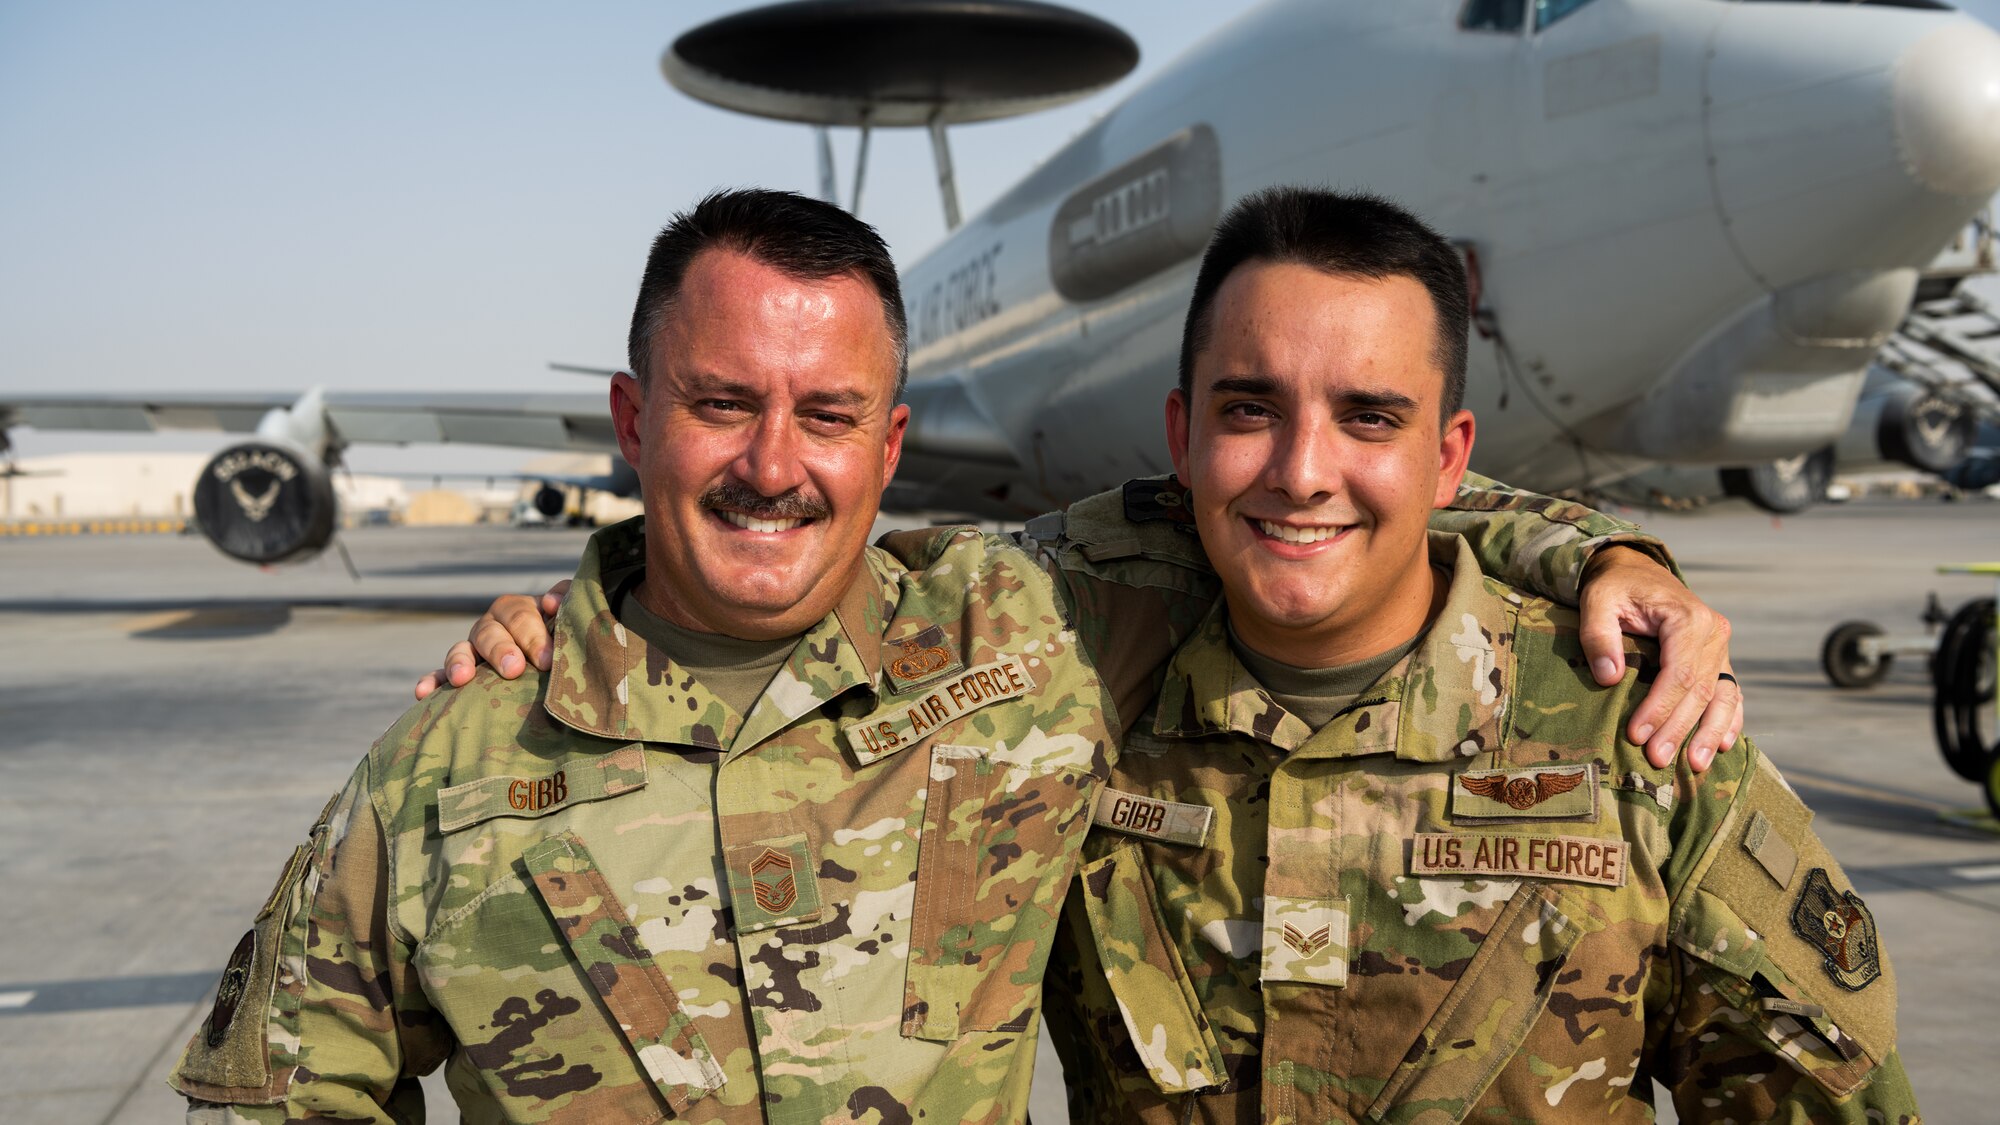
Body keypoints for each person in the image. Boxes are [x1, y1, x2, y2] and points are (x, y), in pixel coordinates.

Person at [185, 188, 1727, 1124]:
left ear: (891, 442)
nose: (774, 464)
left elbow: (1323, 500)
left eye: (830, 415)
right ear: (635, 420)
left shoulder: (1021, 628)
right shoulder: (456, 761)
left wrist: (1598, 552)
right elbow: (282, 1090)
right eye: (723, 401)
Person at [1031, 188, 1915, 1122]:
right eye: (1251, 409)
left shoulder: (1637, 734)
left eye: (1370, 417)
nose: (1300, 472)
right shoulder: (1069, 700)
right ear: (1183, 435)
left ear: (1452, 461)